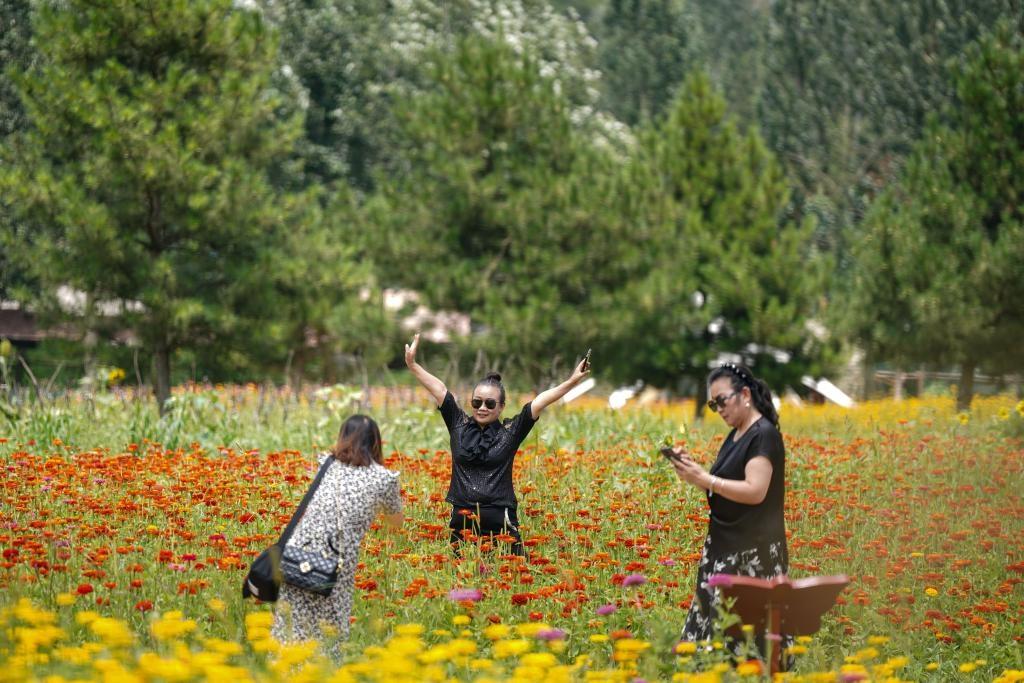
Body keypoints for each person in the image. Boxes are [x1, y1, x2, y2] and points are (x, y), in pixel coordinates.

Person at [404, 333, 589, 556]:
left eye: (490, 403)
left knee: (515, 571)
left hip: (501, 520)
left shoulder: (510, 432)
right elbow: (440, 390)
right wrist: (413, 365)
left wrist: (571, 382)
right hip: (462, 520)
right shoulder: (458, 424)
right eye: (477, 402)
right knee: (460, 573)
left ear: (501, 407)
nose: (482, 408)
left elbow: (539, 402)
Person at [669, 362, 788, 644]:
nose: (719, 409)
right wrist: (693, 473)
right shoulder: (736, 435)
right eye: (713, 405)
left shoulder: (763, 435)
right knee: (710, 642)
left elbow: (755, 491)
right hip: (723, 550)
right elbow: (723, 488)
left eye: (722, 400)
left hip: (751, 555)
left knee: (743, 644)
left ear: (745, 394)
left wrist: (707, 479)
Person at [271, 415, 402, 648]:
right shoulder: (385, 478)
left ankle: (284, 664)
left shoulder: (326, 463)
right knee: (330, 626)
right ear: (376, 442)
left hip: (297, 555)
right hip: (335, 560)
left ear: (343, 437)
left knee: (290, 625)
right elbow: (395, 524)